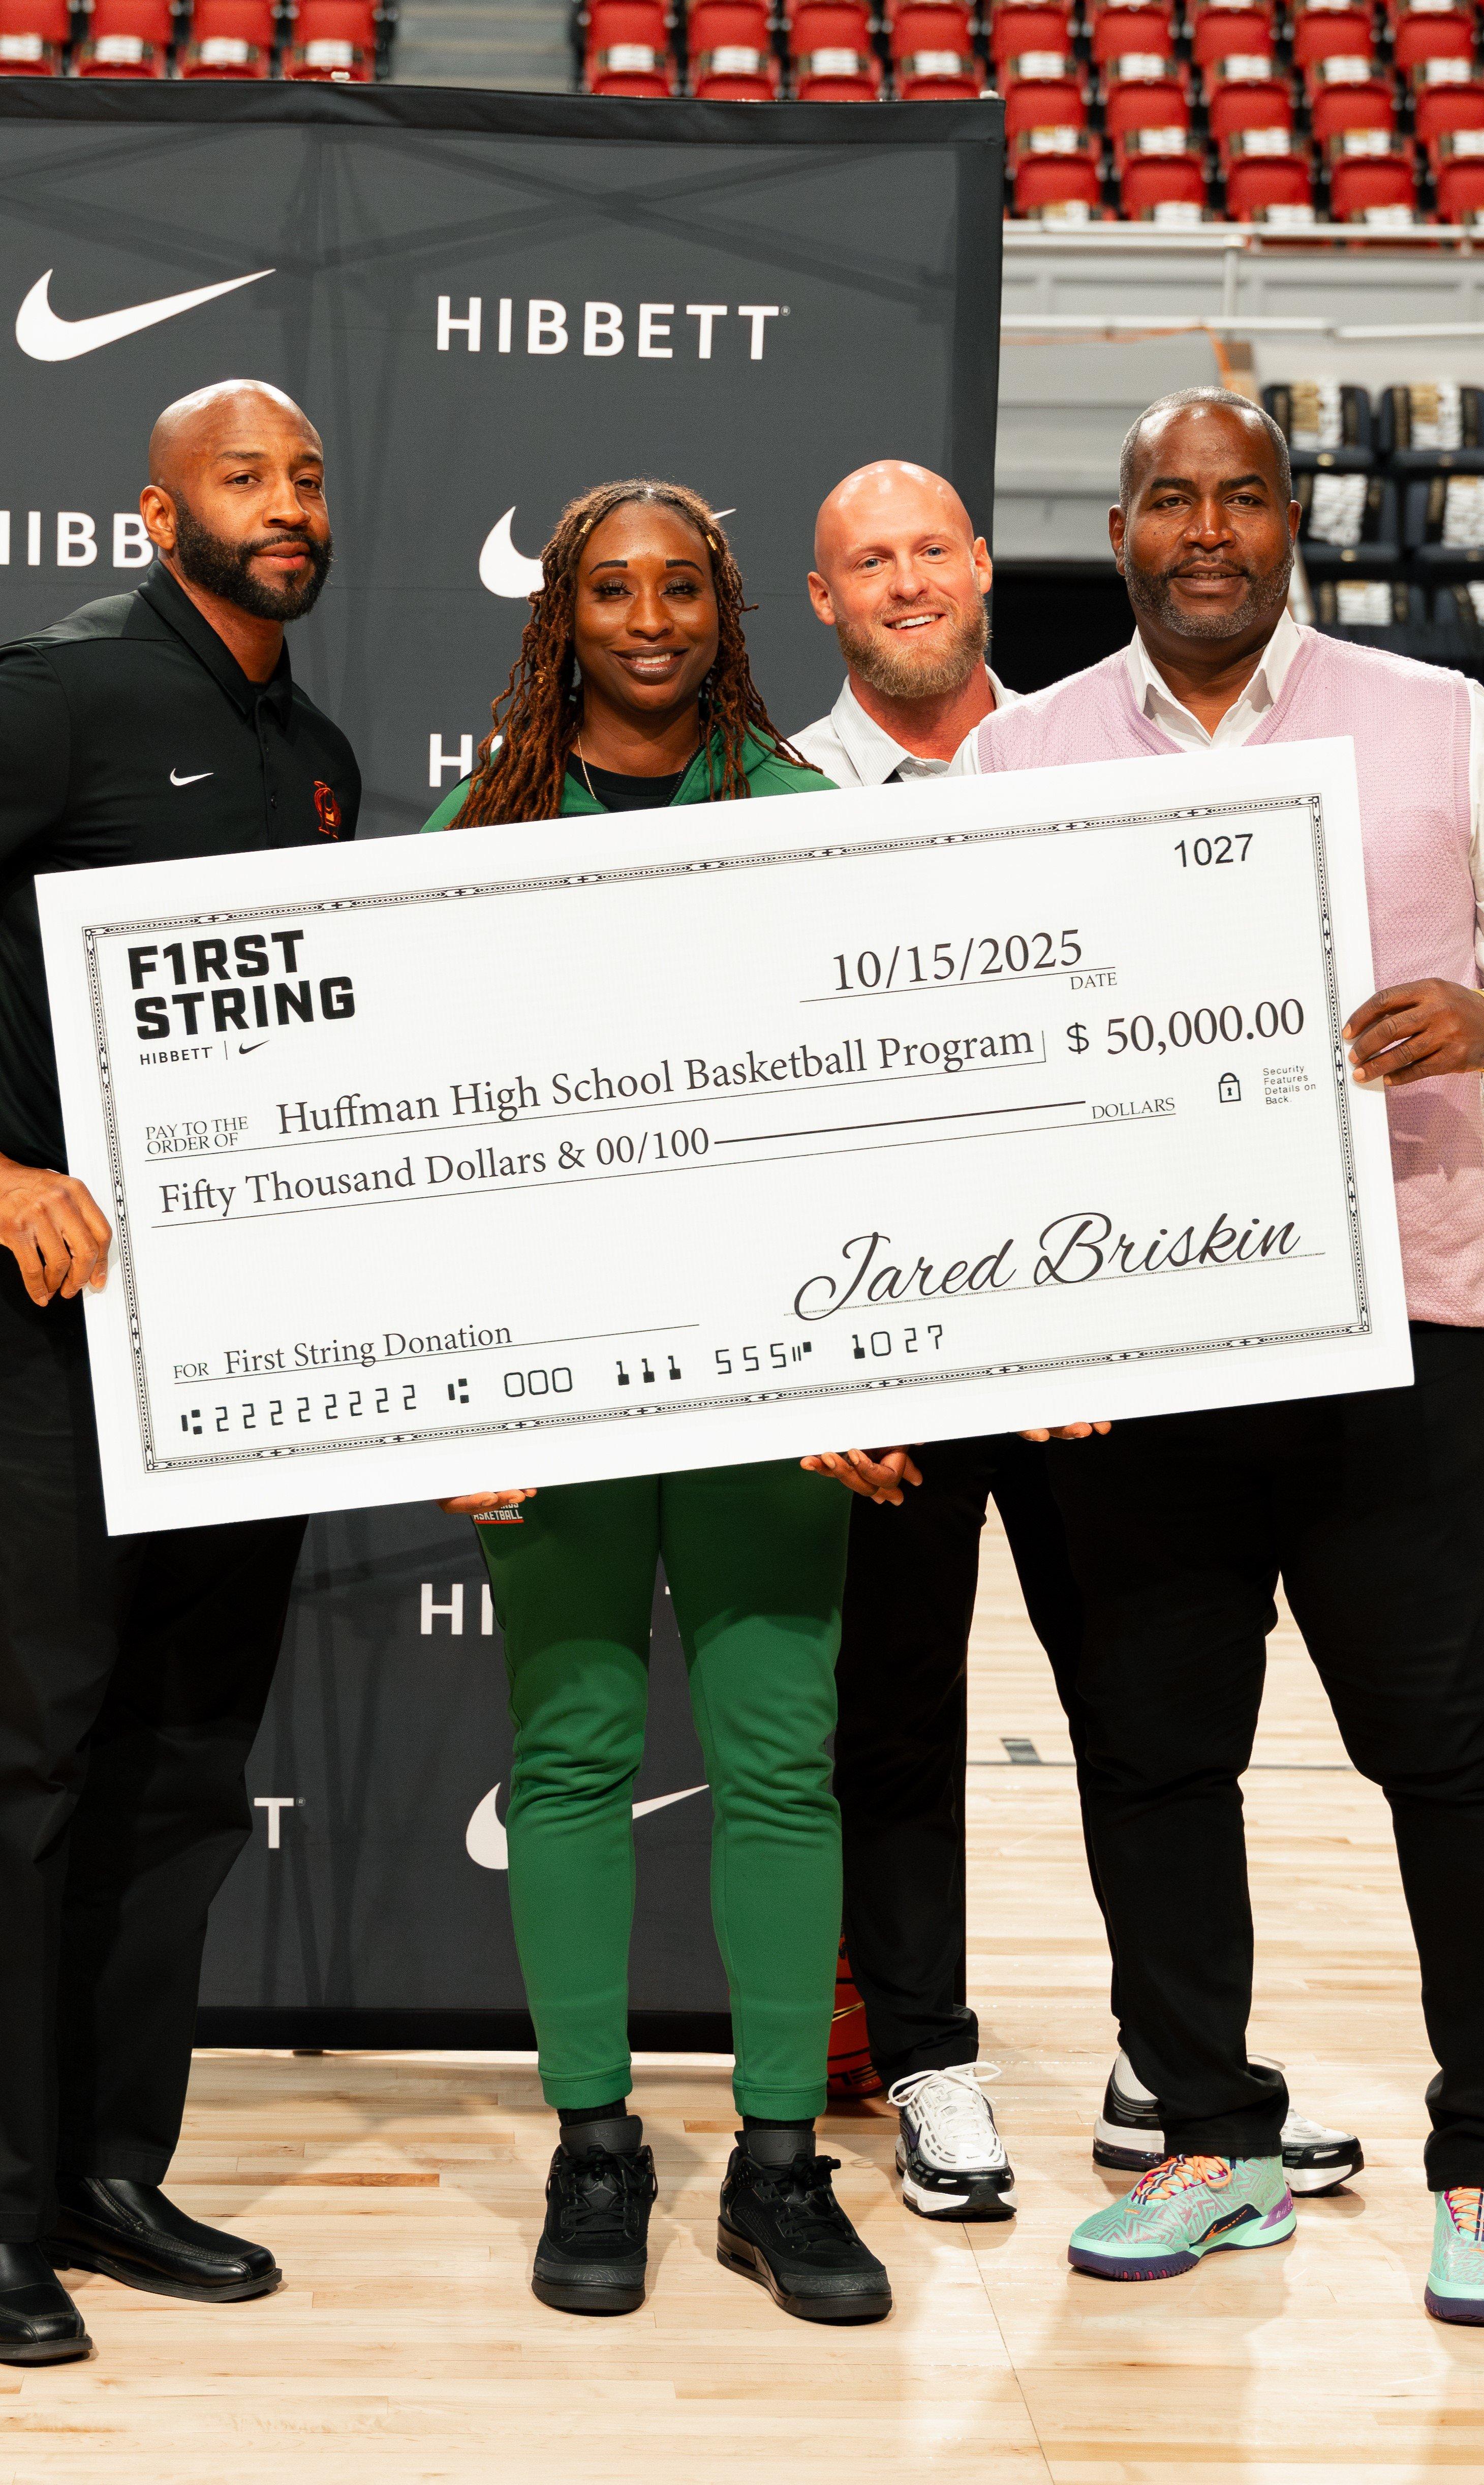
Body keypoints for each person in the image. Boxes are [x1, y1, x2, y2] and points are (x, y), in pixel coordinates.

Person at [958, 387, 1484, 2320]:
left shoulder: (1435, 717)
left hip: (1393, 1338)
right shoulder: (1023, 752)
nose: (1206, 531)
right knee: (1159, 1761)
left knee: (1452, 1752)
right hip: (1142, 1357)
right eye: (1171, 498)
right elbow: (978, 1069)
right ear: (1120, 524)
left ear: (1291, 519)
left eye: (1241, 498)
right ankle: (1212, 2136)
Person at [795, 461, 1363, 2225]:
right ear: (824, 601)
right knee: (890, 1720)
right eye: (866, 563)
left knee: (1148, 1712)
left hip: (1090, 1350)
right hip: (882, 1339)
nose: (906, 584)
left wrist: (1124, 1306)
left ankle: (1179, 2073)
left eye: (931, 553)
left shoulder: (1100, 752)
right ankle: (931, 2064)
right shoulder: (774, 794)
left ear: (985, 568)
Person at [426, 478, 892, 2327]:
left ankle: (780, 2163)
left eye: (678, 588)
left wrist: (883, 1361)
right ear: (562, 616)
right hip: (554, 1381)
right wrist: (454, 1391)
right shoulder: (479, 830)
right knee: (573, 1756)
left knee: (778, 1758)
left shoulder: (813, 823)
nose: (646, 617)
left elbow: (882, 1117)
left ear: (726, 613)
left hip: (770, 1378)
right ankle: (597, 2140)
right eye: (610, 589)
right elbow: (421, 1150)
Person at [0, 381, 357, 2366]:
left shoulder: (315, 748)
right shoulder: (53, 694)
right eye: (246, 478)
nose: (287, 504)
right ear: (157, 511)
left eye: (306, 475)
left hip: (236, 1344)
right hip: (45, 1331)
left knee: (176, 1774)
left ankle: (107, 2173)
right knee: (28, 1767)